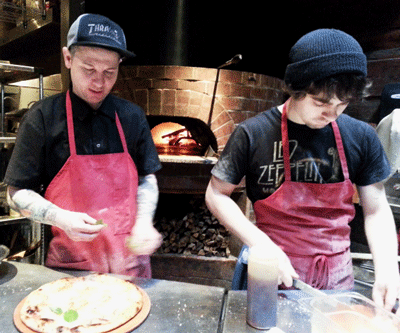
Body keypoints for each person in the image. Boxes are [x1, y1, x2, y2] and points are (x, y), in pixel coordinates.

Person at [205, 28, 400, 312]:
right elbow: (215, 195)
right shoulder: (254, 133)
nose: (331, 113)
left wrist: (386, 268)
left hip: (337, 281)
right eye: (320, 102)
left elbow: (376, 208)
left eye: (342, 104)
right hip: (270, 273)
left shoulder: (361, 136)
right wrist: (259, 243)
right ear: (295, 88)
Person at [4, 13, 162, 277]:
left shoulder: (132, 117)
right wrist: (60, 218)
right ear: (68, 58)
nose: (99, 82)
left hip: (130, 265)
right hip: (71, 269)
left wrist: (144, 222)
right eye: (88, 70)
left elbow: (147, 178)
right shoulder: (42, 118)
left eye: (109, 72)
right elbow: (16, 193)